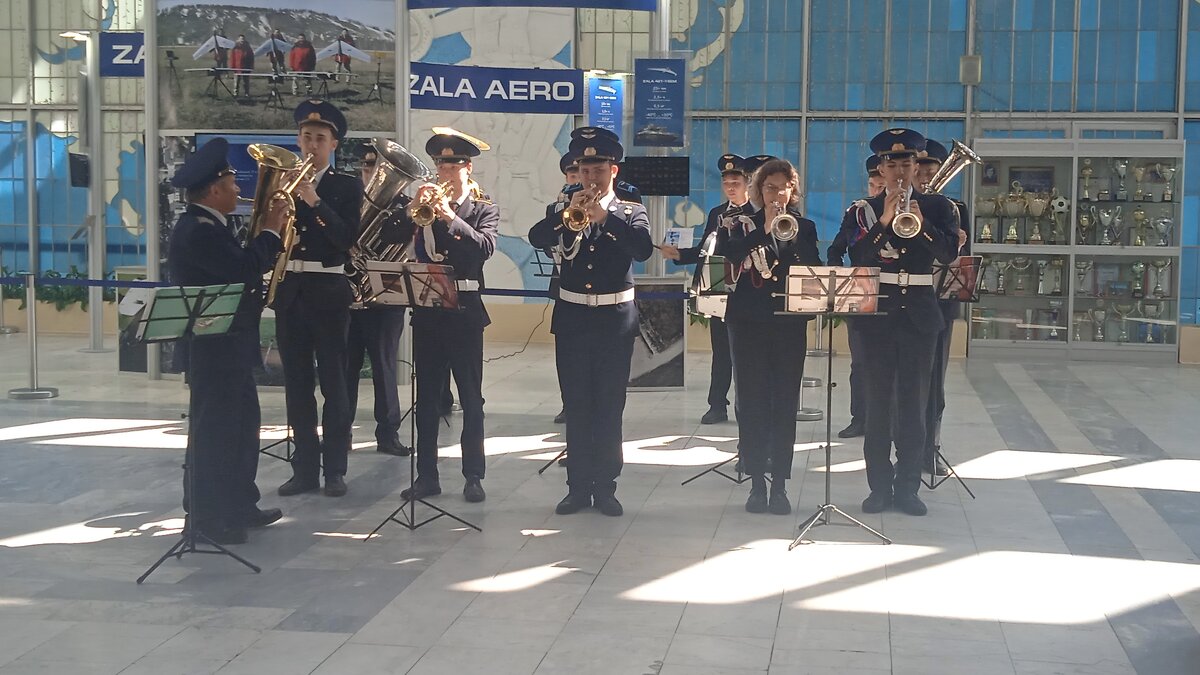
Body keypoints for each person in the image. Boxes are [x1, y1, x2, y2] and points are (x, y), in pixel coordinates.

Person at [166, 138, 286, 544]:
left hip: (230, 345)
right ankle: (207, 517)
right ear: (214, 191)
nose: (239, 191)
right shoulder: (199, 231)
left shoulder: (211, 226)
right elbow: (244, 269)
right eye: (233, 184)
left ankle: (238, 505)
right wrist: (272, 229)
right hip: (213, 347)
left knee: (240, 429)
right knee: (213, 433)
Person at [528, 127, 653, 517]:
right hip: (573, 317)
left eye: (598, 168)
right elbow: (536, 237)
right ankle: (577, 486)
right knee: (578, 404)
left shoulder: (631, 211)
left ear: (613, 170)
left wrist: (605, 217)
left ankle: (606, 486)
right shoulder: (562, 209)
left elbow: (643, 249)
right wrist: (569, 216)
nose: (591, 176)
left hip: (615, 319)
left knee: (609, 405)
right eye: (584, 168)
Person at [842, 128, 959, 517]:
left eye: (906, 163)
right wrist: (886, 220)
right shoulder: (863, 210)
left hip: (921, 316)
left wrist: (919, 222)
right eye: (890, 164)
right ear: (880, 167)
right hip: (876, 316)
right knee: (877, 405)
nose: (898, 171)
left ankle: (909, 487)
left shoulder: (941, 207)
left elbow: (946, 254)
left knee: (913, 404)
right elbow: (855, 255)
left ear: (917, 166)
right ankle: (879, 486)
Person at [382, 128, 498, 504]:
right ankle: (426, 476)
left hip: (465, 313)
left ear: (467, 167)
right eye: (439, 164)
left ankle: (473, 476)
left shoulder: (483, 208)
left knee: (471, 399)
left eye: (451, 164)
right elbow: (388, 233)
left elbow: (482, 250)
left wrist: (449, 217)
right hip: (428, 313)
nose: (443, 171)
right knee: (427, 398)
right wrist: (409, 210)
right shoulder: (422, 207)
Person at [717, 158, 821, 514]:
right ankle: (756, 482)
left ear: (793, 190)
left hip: (789, 325)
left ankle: (780, 484)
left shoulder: (803, 227)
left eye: (784, 187)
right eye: (770, 187)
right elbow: (726, 258)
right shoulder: (737, 225)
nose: (778, 194)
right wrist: (763, 228)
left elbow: (813, 267)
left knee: (783, 403)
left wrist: (784, 232)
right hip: (747, 323)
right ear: (759, 191)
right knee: (752, 401)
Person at [274, 100, 362, 499]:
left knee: (334, 384)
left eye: (320, 139)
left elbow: (345, 238)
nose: (312, 145)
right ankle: (304, 469)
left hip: (328, 293)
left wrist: (314, 200)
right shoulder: (281, 180)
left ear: (334, 144)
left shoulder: (345, 186)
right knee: (296, 385)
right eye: (306, 137)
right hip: (291, 292)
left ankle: (335, 471)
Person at [660, 153, 748, 425]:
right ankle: (717, 404)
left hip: (747, 290)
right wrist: (679, 255)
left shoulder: (757, 213)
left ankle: (748, 405)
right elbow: (706, 250)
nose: (730, 187)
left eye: (736, 182)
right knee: (721, 352)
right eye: (726, 183)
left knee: (747, 353)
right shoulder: (717, 214)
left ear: (748, 183)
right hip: (719, 286)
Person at [345, 145, 411, 458]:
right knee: (346, 368)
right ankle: (339, 432)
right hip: (348, 299)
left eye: (378, 165)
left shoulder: (406, 206)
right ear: (362, 169)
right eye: (368, 164)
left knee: (384, 367)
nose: (373, 171)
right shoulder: (348, 203)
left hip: (386, 298)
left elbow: (406, 248)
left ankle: (388, 434)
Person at [915, 139, 970, 477]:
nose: (925, 176)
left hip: (941, 303)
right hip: (908, 302)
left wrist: (959, 241)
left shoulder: (954, 208)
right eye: (919, 170)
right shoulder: (901, 204)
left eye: (931, 171)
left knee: (936, 382)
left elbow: (964, 263)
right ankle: (905, 446)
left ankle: (930, 448)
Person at [826, 155, 885, 439]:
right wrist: (838, 270)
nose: (875, 191)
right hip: (861, 293)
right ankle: (859, 417)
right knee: (860, 361)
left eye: (880, 185)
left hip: (894, 295)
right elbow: (836, 247)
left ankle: (886, 419)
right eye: (873, 185)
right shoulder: (858, 213)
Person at [546, 151, 582, 426]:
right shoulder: (553, 209)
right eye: (571, 176)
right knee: (565, 353)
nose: (576, 180)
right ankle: (567, 403)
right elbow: (545, 242)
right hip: (565, 288)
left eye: (579, 175)